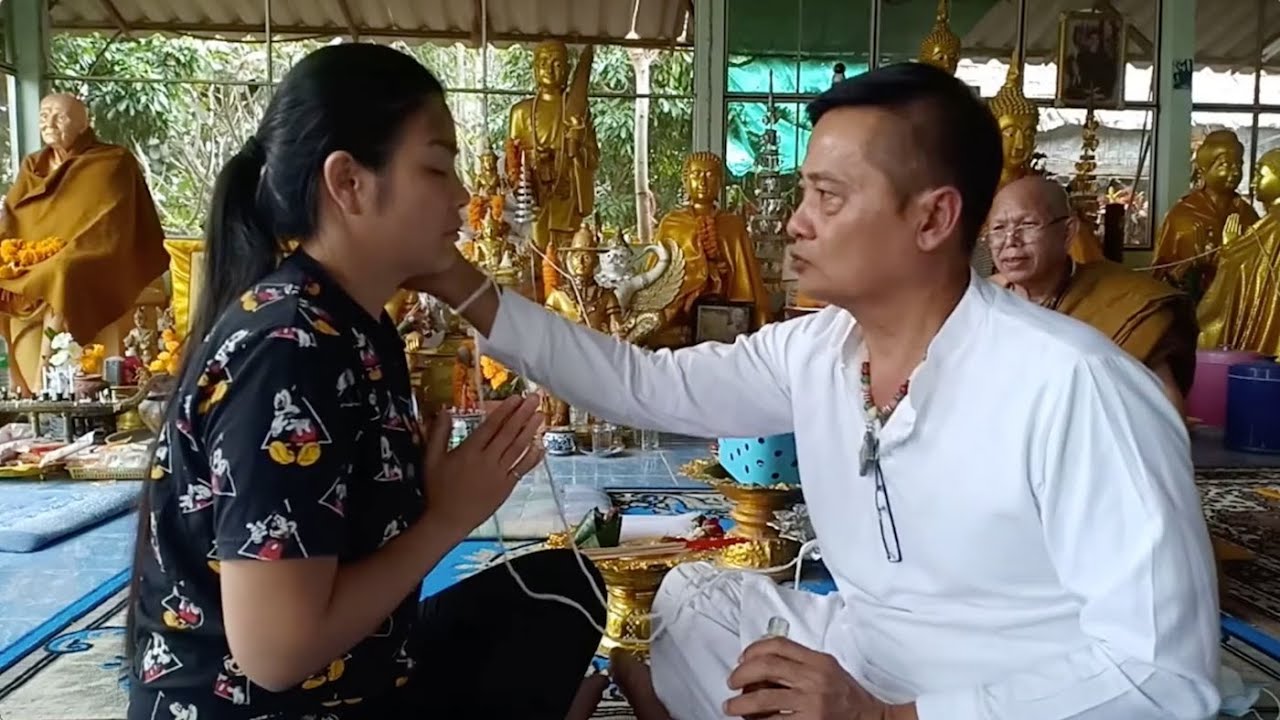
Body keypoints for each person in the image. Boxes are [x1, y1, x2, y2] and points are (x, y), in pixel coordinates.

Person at [414, 62, 1220, 719]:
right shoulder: (819, 350)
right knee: (690, 600)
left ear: (934, 219)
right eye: (804, 193)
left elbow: (1164, 678)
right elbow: (643, 383)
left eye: (827, 197)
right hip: (866, 652)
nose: (797, 223)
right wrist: (457, 282)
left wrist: (887, 717)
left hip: (1006, 691)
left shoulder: (1076, 387)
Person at [124, 44, 606, 720]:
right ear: (348, 183)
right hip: (263, 705)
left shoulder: (352, 323)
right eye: (437, 166)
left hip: (352, 673)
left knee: (563, 589)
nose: (465, 195)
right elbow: (276, 654)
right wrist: (449, 517)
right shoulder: (288, 346)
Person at [988, 176, 1198, 415]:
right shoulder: (982, 301)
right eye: (998, 229)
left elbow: (1165, 408)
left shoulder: (1125, 303)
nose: (1010, 241)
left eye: (1027, 225)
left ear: (1068, 233)